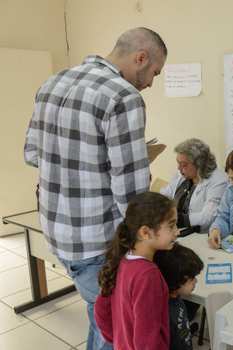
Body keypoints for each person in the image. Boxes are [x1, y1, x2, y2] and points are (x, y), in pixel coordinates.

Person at [23, 27, 167, 350]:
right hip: (97, 243)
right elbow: (131, 195)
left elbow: (31, 154)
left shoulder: (51, 83)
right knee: (114, 328)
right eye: (154, 72)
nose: (150, 83)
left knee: (98, 313)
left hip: (57, 233)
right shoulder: (125, 97)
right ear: (141, 58)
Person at [94, 192, 178, 350]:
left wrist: (120, 339)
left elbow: (101, 311)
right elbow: (147, 342)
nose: (177, 231)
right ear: (145, 232)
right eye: (171, 225)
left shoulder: (122, 259)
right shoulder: (148, 276)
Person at [160, 138, 228, 234]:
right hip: (174, 230)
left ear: (199, 164)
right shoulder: (182, 174)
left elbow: (208, 217)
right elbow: (165, 195)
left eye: (184, 164)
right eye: (178, 163)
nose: (179, 168)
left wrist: (176, 219)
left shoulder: (218, 181)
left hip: (199, 235)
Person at [154, 243, 204, 350]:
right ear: (177, 280)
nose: (195, 281)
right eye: (191, 279)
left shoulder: (177, 297)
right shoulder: (165, 312)